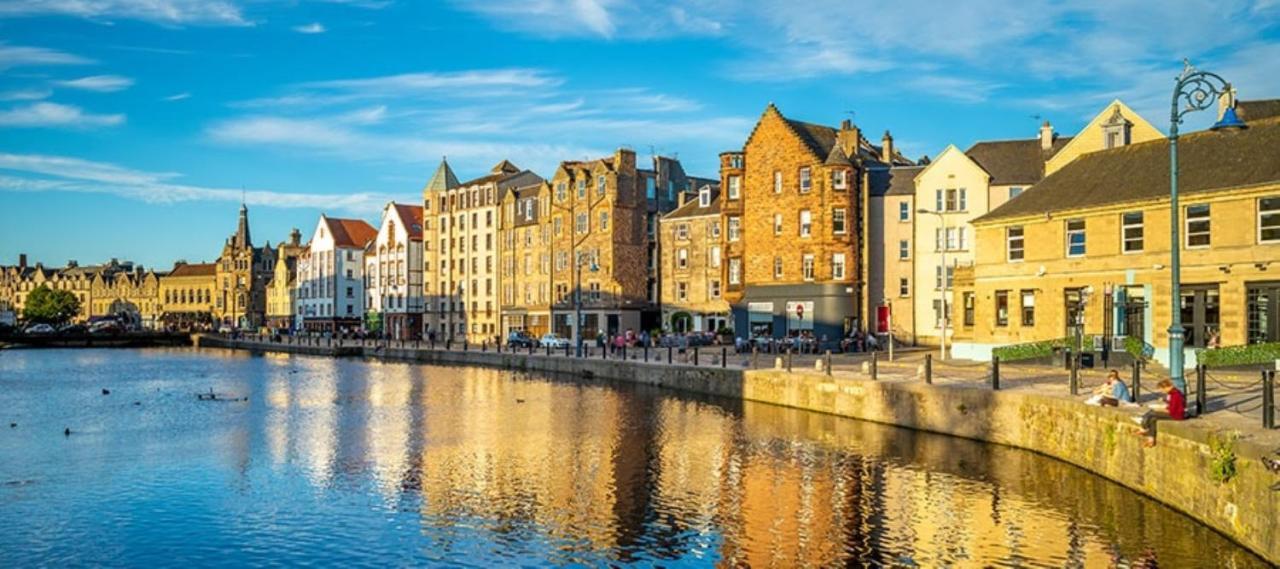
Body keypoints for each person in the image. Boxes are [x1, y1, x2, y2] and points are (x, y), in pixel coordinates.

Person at [1132, 378, 1186, 446]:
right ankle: (1151, 439)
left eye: (1162, 389)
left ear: (1166, 387)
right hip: (1175, 413)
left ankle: (1144, 427)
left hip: (1176, 415)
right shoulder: (1173, 393)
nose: (1162, 392)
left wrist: (1159, 409)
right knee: (1153, 419)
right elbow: (1171, 405)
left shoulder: (1175, 395)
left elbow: (1172, 410)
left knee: (1152, 413)